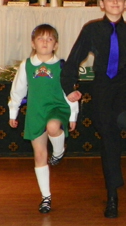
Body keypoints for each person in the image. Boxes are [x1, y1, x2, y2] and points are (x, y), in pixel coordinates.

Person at [60, 0, 126, 218]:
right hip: (101, 86)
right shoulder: (91, 30)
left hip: (124, 84)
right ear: (101, 4)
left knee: (123, 117)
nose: (114, 2)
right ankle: (112, 194)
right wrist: (69, 87)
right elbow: (73, 59)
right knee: (108, 136)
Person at [8, 24, 78, 213]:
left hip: (57, 107)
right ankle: (46, 197)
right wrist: (13, 112)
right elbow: (18, 90)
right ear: (33, 43)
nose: (45, 42)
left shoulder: (61, 65)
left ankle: (58, 151)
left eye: (49, 39)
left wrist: (73, 114)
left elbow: (69, 91)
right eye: (41, 38)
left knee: (53, 127)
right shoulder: (27, 65)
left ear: (56, 44)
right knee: (39, 156)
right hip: (35, 112)